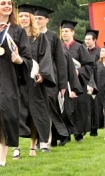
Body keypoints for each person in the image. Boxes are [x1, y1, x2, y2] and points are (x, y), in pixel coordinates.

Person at [0, 0, 32, 167]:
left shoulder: (18, 31)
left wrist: (18, 60)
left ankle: (2, 159)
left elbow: (27, 58)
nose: (7, 6)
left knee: (5, 118)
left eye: (9, 3)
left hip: (10, 80)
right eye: (3, 3)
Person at [13, 4, 55, 158]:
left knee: (35, 113)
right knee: (16, 113)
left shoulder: (40, 37)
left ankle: (33, 147)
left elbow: (46, 57)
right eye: (21, 16)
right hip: (17, 80)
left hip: (35, 80)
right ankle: (15, 147)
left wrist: (43, 74)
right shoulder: (13, 35)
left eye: (26, 16)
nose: (23, 18)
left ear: (31, 18)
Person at [34, 6, 67, 151]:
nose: (37, 21)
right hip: (34, 77)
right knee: (36, 110)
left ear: (47, 20)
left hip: (50, 78)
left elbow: (60, 61)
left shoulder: (53, 36)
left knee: (49, 109)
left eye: (40, 18)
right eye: (35, 18)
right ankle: (38, 140)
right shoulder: (30, 35)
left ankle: (47, 140)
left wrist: (62, 84)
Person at [61, 20, 97, 142]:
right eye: (62, 31)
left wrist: (78, 71)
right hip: (63, 83)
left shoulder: (80, 47)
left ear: (72, 32)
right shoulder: (59, 47)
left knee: (78, 109)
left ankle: (78, 133)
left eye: (66, 31)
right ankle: (64, 135)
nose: (64, 33)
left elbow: (90, 65)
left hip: (78, 83)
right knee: (64, 109)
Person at [84, 29, 101, 136]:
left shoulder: (99, 52)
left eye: (89, 39)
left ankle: (94, 128)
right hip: (85, 78)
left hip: (96, 79)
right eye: (85, 39)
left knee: (95, 105)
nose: (87, 41)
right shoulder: (83, 50)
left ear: (94, 40)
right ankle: (85, 126)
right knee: (85, 104)